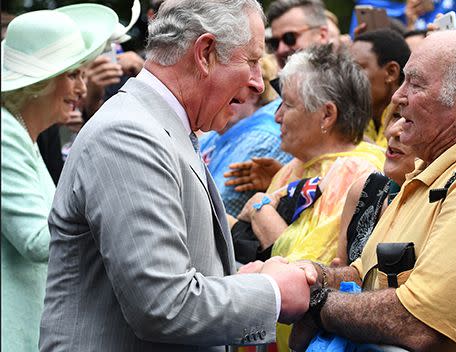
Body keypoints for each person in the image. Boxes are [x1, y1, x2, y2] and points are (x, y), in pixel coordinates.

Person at [39, 1, 313, 351]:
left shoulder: (157, 126)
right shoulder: (129, 135)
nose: (260, 84)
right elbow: (163, 305)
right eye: (252, 61)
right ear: (206, 52)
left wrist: (238, 281)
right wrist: (273, 292)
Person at [282, 29, 456, 352]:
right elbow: (361, 276)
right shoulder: (427, 174)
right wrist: (312, 276)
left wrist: (318, 304)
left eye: (415, 84)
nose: (396, 97)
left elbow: (420, 321)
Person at [1, 4, 118, 351]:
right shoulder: (5, 134)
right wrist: (108, 203)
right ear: (39, 83)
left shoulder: (21, 133)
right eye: (73, 75)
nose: (83, 89)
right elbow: (38, 240)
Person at [237, 44, 384, 265]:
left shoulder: (357, 172)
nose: (277, 117)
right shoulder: (295, 166)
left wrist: (260, 208)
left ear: (327, 115)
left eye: (287, 104)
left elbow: (310, 267)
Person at [199, 54, 292, 218]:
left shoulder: (261, 139)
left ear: (253, 91)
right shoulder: (220, 133)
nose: (208, 92)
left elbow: (215, 208)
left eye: (225, 85)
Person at [335, 105, 416, 266]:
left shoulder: (442, 201)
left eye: (410, 120)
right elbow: (339, 270)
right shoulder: (364, 190)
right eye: (395, 115)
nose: (393, 131)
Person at [350, 28, 411, 148]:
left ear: (391, 72)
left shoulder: (410, 124)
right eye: (346, 68)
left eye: (356, 69)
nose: (346, 77)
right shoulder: (362, 117)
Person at [266, 0, 329, 70]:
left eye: (289, 37)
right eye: (274, 42)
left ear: (322, 35)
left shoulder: (342, 78)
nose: (280, 50)